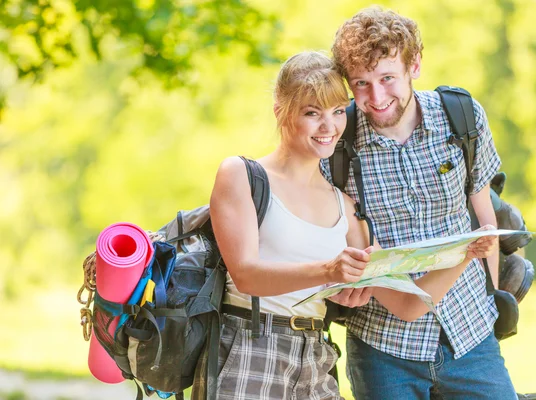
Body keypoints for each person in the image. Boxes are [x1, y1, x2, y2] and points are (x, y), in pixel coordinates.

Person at [208, 51, 497, 399]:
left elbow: (408, 306)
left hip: (315, 356)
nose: (328, 126)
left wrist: (465, 255)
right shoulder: (242, 174)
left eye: (336, 111)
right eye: (312, 113)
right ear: (280, 111)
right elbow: (246, 276)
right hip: (250, 348)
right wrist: (330, 271)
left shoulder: (343, 205)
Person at [323, 6, 518, 400]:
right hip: (382, 348)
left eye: (387, 78)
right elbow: (328, 239)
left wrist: (492, 304)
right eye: (361, 83)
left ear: (415, 65)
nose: (376, 98)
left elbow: (484, 217)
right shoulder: (336, 144)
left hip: (470, 333)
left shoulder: (461, 117)